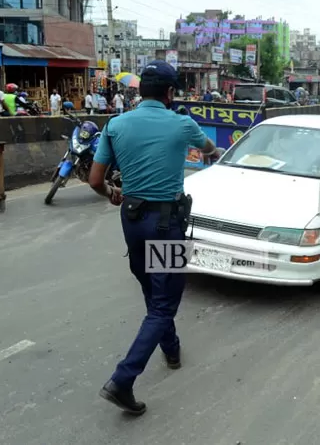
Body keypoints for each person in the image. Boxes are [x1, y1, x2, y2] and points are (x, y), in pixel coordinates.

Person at [88, 60, 220, 416]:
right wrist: (218, 154)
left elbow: (96, 180)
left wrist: (112, 193)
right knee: (164, 303)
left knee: (152, 291)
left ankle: (172, 348)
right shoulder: (181, 123)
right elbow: (208, 148)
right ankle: (123, 379)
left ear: (139, 91)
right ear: (170, 93)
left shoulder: (116, 124)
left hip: (131, 222)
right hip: (166, 225)